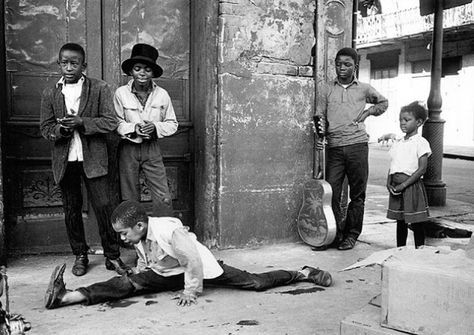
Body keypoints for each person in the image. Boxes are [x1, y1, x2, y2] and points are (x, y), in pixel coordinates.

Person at [44, 200, 333, 309]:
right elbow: (149, 260)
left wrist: (192, 291)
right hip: (168, 273)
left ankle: (302, 273)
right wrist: (138, 271)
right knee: (126, 285)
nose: (122, 238)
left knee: (254, 283)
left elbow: (193, 261)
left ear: (140, 225)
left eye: (124, 233)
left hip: (199, 268)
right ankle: (67, 297)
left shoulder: (170, 231)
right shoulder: (140, 236)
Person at [40, 43, 131, 277]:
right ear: (58, 63)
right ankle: (80, 256)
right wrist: (61, 130)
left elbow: (110, 122)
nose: (69, 68)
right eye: (64, 63)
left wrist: (82, 122)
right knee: (71, 210)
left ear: (84, 65)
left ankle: (113, 256)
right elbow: (45, 128)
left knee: (104, 207)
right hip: (65, 160)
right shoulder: (51, 92)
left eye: (74, 63)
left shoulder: (99, 88)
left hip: (94, 159)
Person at [316, 47, 388, 250]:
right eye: (338, 64)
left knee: (357, 195)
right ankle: (334, 235)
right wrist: (321, 134)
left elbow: (383, 102)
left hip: (357, 145)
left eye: (347, 64)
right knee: (331, 192)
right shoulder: (327, 89)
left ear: (355, 66)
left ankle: (351, 235)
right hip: (335, 148)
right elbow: (320, 116)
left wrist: (369, 112)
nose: (342, 68)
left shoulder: (364, 89)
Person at [113, 43, 178, 214]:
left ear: (153, 73)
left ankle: (162, 237)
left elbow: (172, 124)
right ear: (131, 71)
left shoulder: (162, 94)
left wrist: (155, 127)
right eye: (137, 68)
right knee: (129, 197)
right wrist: (134, 128)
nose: (142, 73)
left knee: (163, 196)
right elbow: (116, 123)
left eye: (147, 70)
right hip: (128, 149)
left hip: (152, 149)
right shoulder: (121, 93)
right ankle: (133, 239)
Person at [386, 102, 431, 248]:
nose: (402, 123)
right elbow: (393, 164)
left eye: (407, 120)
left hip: (411, 186)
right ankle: (401, 249)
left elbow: (422, 169)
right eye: (401, 120)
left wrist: (404, 185)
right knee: (400, 221)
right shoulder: (398, 142)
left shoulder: (420, 142)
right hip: (396, 187)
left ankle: (420, 250)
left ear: (418, 122)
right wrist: (389, 182)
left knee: (416, 221)